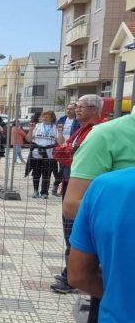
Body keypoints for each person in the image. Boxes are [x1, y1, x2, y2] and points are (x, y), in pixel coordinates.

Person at [61, 110, 135, 323]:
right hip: (111, 275)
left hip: (115, 285)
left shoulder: (111, 188)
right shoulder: (106, 136)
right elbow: (72, 204)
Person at [50, 94, 107, 294]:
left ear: (94, 109)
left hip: (86, 192)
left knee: (77, 234)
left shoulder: (99, 131)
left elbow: (67, 154)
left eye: (81, 107)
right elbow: (60, 152)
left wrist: (68, 154)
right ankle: (71, 272)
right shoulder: (79, 130)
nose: (76, 110)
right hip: (70, 184)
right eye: (76, 107)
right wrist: (67, 153)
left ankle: (74, 276)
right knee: (70, 232)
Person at [24, 111, 64, 199]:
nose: (45, 118)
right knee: (36, 174)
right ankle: (35, 190)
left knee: (47, 174)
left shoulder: (55, 128)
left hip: (49, 155)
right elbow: (28, 139)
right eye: (43, 116)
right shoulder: (37, 126)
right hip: (36, 154)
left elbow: (61, 142)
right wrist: (30, 129)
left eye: (47, 117)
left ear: (52, 118)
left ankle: (44, 192)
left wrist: (60, 132)